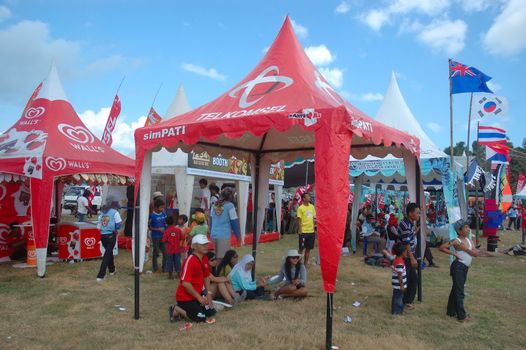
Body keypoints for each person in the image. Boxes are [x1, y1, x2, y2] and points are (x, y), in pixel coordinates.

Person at [171, 234, 216, 324]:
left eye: (206, 244)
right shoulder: (190, 260)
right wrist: (199, 298)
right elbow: (185, 284)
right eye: (203, 244)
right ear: (194, 246)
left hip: (196, 295)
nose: (206, 246)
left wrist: (209, 294)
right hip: (185, 298)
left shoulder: (205, 258)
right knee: (200, 318)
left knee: (211, 313)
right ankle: (177, 309)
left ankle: (192, 309)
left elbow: (206, 277)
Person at [439, 219, 478, 322]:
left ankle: (451, 311)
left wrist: (465, 249)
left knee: (456, 289)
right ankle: (461, 316)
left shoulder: (469, 240)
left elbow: (475, 254)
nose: (468, 229)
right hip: (458, 267)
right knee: (459, 291)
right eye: (465, 227)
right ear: (459, 231)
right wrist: (454, 254)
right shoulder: (456, 240)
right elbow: (442, 247)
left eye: (468, 227)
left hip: (464, 267)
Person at [397, 202, 420, 309]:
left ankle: (407, 300)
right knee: (410, 279)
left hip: (408, 255)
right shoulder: (406, 225)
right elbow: (406, 243)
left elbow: (409, 237)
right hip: (406, 256)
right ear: (410, 214)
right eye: (417, 213)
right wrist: (412, 258)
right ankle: (405, 301)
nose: (418, 215)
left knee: (412, 279)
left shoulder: (409, 224)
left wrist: (415, 232)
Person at [211, 187, 241, 259]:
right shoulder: (230, 206)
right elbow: (234, 222)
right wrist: (238, 236)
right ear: (231, 196)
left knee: (216, 257)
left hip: (214, 234)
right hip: (223, 235)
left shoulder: (215, 205)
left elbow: (211, 219)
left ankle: (216, 270)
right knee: (222, 258)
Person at [96, 199, 122, 281]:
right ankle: (100, 275)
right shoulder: (115, 212)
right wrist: (115, 228)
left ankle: (112, 270)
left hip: (103, 235)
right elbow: (119, 224)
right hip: (111, 235)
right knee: (107, 255)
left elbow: (98, 225)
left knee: (109, 252)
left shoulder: (103, 212)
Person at [297, 193, 316, 265]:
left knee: (308, 249)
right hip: (304, 232)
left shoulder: (312, 207)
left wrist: (315, 228)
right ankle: (298, 263)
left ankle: (305, 264)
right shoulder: (300, 208)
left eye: (309, 196)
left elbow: (314, 218)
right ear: (304, 199)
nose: (309, 197)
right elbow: (299, 220)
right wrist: (300, 230)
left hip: (311, 231)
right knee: (301, 249)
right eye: (307, 196)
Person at [149, 198, 167, 272]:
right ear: (156, 207)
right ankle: (155, 268)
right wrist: (158, 229)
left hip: (163, 236)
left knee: (165, 252)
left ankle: (164, 267)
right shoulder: (152, 215)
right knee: (156, 252)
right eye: (161, 207)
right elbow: (149, 227)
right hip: (155, 236)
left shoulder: (164, 213)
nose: (163, 208)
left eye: (163, 207)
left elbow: (166, 222)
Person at [391, 242, 407, 315]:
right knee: (398, 299)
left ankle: (395, 310)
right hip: (398, 285)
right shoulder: (400, 263)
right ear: (402, 253)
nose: (406, 252)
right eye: (405, 251)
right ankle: (397, 312)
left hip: (396, 284)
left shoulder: (396, 259)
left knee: (396, 297)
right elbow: (400, 275)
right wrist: (402, 285)